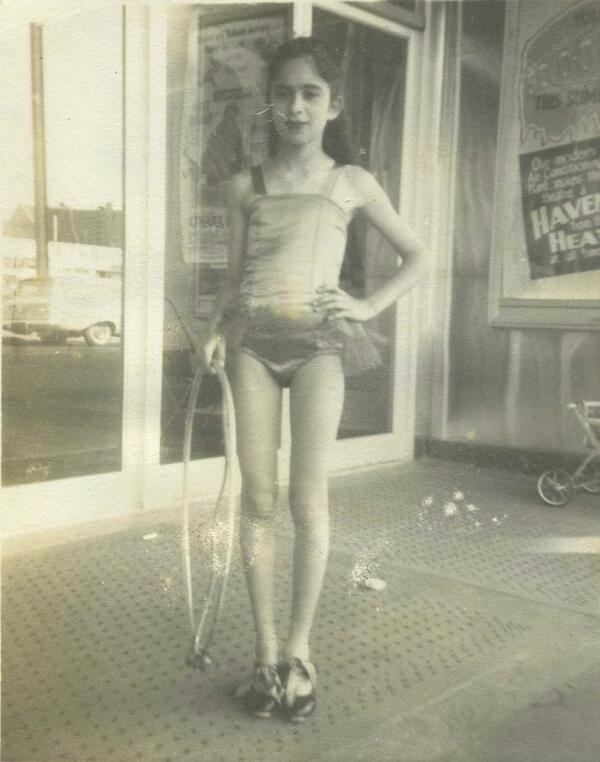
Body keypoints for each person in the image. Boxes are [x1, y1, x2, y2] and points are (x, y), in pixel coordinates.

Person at [198, 36, 426, 722]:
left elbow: (418, 256)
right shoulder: (246, 186)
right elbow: (233, 280)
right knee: (257, 498)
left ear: (333, 105)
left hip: (322, 349)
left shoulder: (350, 182)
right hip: (253, 349)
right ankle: (265, 655)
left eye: (310, 93)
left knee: (307, 499)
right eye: (283, 93)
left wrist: (368, 306)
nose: (296, 106)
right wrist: (214, 329)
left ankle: (300, 652)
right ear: (269, 103)